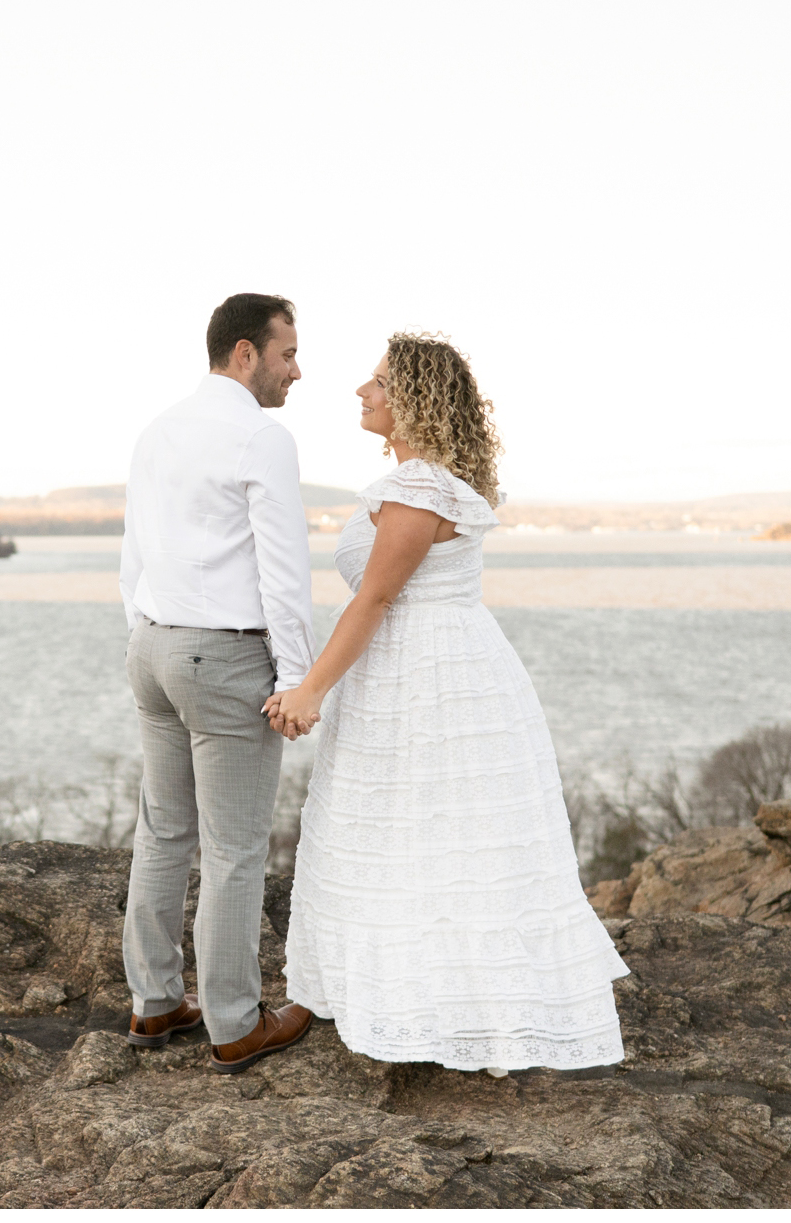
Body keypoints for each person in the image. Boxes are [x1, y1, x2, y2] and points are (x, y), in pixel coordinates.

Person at [267, 332, 628, 1077]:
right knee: (418, 836)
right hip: (428, 665)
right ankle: (416, 1001)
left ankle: (448, 1014)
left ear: (416, 400)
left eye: (376, 382)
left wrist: (310, 691)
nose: (361, 393)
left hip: (428, 675)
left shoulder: (419, 488)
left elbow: (375, 597)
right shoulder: (425, 481)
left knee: (432, 835)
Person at [117, 292, 318, 1075]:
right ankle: (234, 1023)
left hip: (152, 646)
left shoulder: (157, 429)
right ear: (245, 353)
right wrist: (299, 677)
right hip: (222, 657)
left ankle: (156, 1001)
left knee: (164, 830)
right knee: (234, 849)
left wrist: (143, 633)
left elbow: (133, 556)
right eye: (287, 354)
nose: (296, 371)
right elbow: (284, 571)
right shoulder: (261, 437)